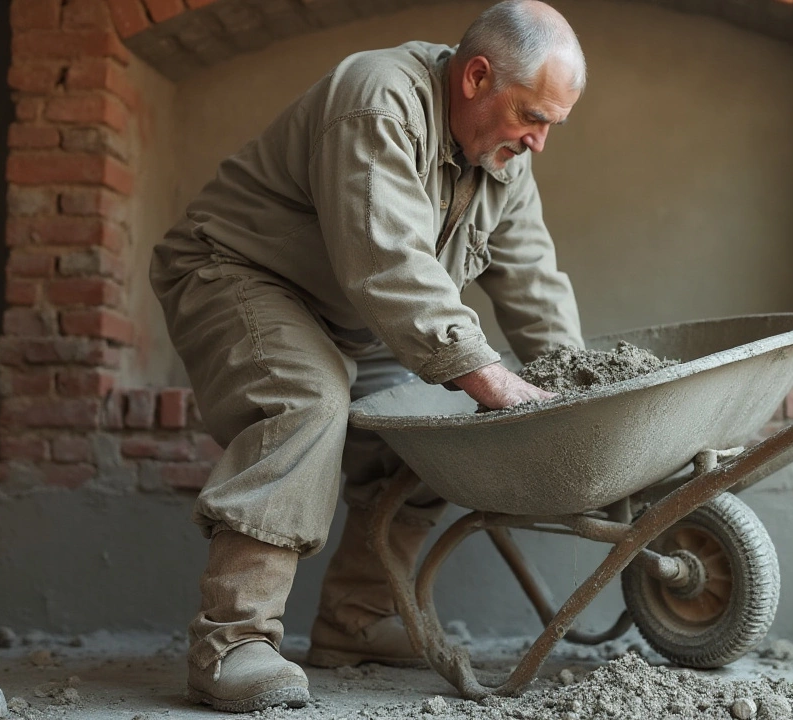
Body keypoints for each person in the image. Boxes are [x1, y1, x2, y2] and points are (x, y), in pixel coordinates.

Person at [149, 0, 586, 712]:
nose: (539, 140)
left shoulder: (502, 157)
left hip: (354, 319)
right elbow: (387, 263)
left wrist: (576, 390)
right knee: (306, 398)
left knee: (445, 429)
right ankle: (232, 642)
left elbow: (532, 278)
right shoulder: (378, 99)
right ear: (476, 77)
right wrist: (495, 381)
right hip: (237, 274)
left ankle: (357, 617)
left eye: (550, 125)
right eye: (533, 117)